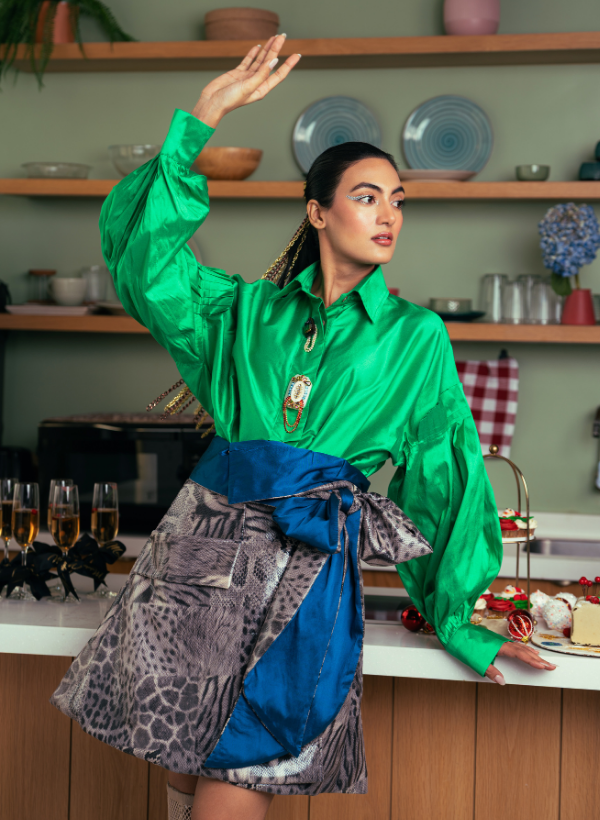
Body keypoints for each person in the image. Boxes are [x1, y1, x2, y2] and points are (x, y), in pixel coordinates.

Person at [49, 33, 555, 820]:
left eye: (398, 200)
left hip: (305, 574)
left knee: (237, 772)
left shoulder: (412, 337)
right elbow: (146, 263)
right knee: (183, 770)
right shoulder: (243, 311)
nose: (388, 214)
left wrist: (459, 615)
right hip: (197, 564)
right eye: (366, 196)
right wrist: (202, 118)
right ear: (317, 211)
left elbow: (442, 472)